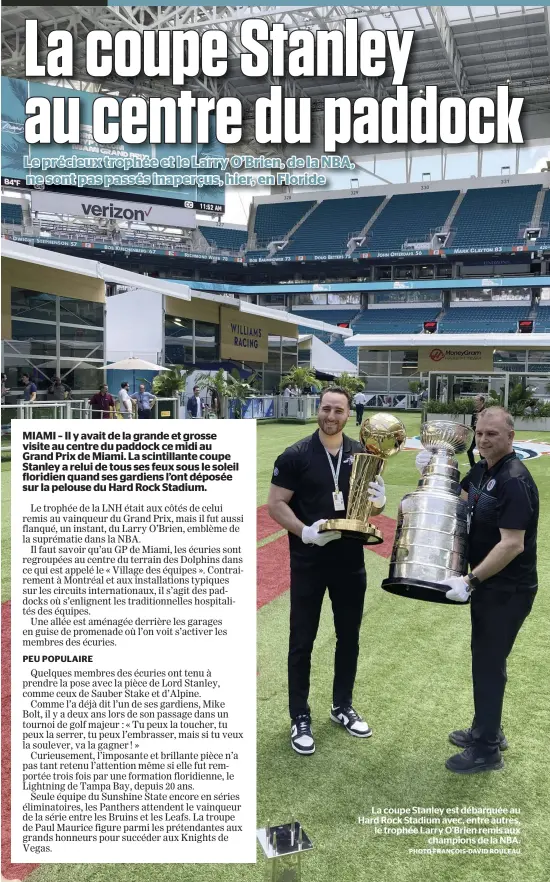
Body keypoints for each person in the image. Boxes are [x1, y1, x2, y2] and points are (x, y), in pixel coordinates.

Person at [417, 407, 539, 774]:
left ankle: (486, 749)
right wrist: (430, 468)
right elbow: (457, 494)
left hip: (507, 589)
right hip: (490, 587)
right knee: (487, 661)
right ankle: (489, 730)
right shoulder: (485, 470)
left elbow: (512, 544)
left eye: (493, 434)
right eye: (480, 433)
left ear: (511, 437)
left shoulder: (514, 480)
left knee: (487, 664)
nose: (484, 440)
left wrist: (470, 580)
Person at [267, 387, 386, 755]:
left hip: (350, 562)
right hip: (309, 562)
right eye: (325, 409)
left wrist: (379, 504)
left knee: (349, 637)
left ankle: (341, 706)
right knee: (302, 641)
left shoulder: (363, 455)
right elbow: (275, 505)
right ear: (318, 410)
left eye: (338, 410)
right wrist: (303, 531)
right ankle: (299, 716)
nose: (330, 416)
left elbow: (369, 512)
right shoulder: (295, 455)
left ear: (349, 414)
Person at [467, 394, 487, 468]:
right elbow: (473, 423)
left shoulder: (485, 411)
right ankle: (473, 467)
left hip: (482, 434)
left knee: (482, 452)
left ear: (481, 401)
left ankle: (485, 468)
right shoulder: (474, 411)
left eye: (476, 400)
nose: (475, 402)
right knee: (469, 450)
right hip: (475, 433)